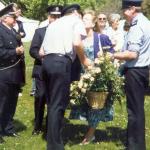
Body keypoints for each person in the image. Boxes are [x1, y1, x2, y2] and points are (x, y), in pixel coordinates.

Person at [40, 4, 91, 150]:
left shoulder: (53, 24)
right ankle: (55, 145)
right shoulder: (76, 21)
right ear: (75, 13)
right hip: (61, 62)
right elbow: (77, 42)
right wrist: (85, 60)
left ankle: (52, 137)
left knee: (52, 104)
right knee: (58, 104)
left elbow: (42, 51)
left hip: (47, 63)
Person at [69, 9, 114, 145]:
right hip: (81, 77)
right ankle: (90, 129)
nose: (84, 22)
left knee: (96, 105)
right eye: (83, 19)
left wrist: (104, 58)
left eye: (87, 19)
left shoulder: (101, 38)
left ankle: (90, 134)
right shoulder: (78, 39)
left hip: (97, 77)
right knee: (85, 105)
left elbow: (111, 54)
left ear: (94, 22)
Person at [111, 0, 150, 149]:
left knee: (134, 111)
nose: (123, 14)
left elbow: (132, 54)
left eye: (125, 10)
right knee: (138, 109)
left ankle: (135, 146)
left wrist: (113, 55)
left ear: (133, 9)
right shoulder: (146, 22)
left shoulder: (137, 26)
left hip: (135, 72)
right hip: (143, 70)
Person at [29, 5, 63, 135]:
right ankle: (37, 126)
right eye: (53, 16)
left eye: (58, 17)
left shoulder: (64, 33)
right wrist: (42, 57)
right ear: (48, 17)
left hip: (57, 70)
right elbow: (32, 50)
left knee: (53, 99)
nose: (55, 19)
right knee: (40, 96)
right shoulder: (40, 32)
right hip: (41, 69)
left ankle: (50, 127)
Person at [0, 4, 25, 143]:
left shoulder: (12, 30)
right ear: (5, 18)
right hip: (4, 72)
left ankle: (8, 128)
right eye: (13, 16)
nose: (15, 18)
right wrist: (15, 52)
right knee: (2, 103)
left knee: (11, 103)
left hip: (15, 73)